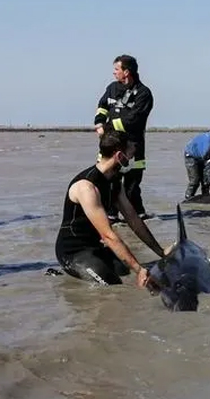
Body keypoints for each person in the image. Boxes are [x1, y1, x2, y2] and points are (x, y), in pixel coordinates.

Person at [55, 130, 166, 290]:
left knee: (124, 272)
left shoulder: (114, 182)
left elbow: (134, 220)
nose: (133, 159)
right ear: (120, 156)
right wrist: (139, 270)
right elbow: (107, 235)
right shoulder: (87, 187)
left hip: (95, 247)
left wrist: (161, 252)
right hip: (73, 252)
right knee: (113, 286)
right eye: (131, 155)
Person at [94, 54, 154, 220]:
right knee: (107, 183)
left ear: (126, 72)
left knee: (131, 188)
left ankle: (138, 218)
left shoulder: (144, 94)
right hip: (109, 146)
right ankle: (111, 217)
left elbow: (134, 120)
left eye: (116, 69)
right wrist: (99, 123)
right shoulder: (112, 88)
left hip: (132, 147)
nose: (114, 72)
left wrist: (108, 127)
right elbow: (102, 106)